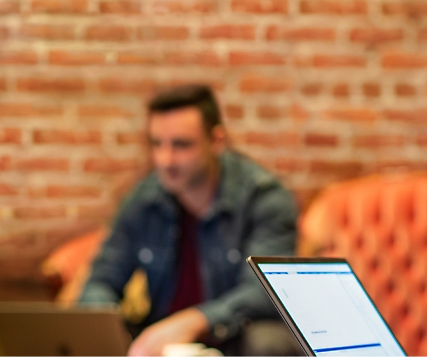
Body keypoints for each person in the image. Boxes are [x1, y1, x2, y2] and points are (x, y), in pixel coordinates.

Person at [79, 84, 301, 356]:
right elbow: (102, 280)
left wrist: (197, 321)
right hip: (164, 338)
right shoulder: (143, 199)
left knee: (269, 343)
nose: (165, 160)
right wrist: (104, 325)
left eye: (181, 145)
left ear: (216, 141)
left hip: (230, 336)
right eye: (157, 144)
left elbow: (266, 294)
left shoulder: (263, 198)